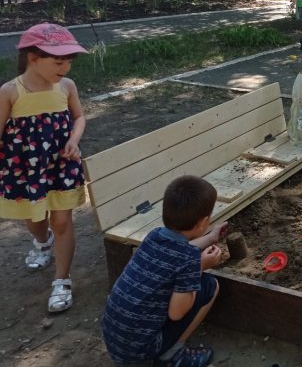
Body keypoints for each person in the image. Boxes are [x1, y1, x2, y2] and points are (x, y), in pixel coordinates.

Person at [0, 23, 87, 313]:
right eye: (59, 62)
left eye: (69, 61)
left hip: (62, 163)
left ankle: (62, 280)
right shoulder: (10, 91)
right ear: (33, 58)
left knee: (62, 221)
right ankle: (42, 241)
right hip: (26, 170)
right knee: (34, 219)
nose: (66, 68)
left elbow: (79, 117)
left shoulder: (67, 87)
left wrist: (74, 140)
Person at [102, 175, 227, 367]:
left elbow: (177, 252)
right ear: (202, 223)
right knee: (210, 285)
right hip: (140, 351)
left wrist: (210, 238)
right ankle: (173, 356)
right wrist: (198, 267)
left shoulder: (155, 236)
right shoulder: (189, 260)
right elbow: (176, 313)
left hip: (114, 338)